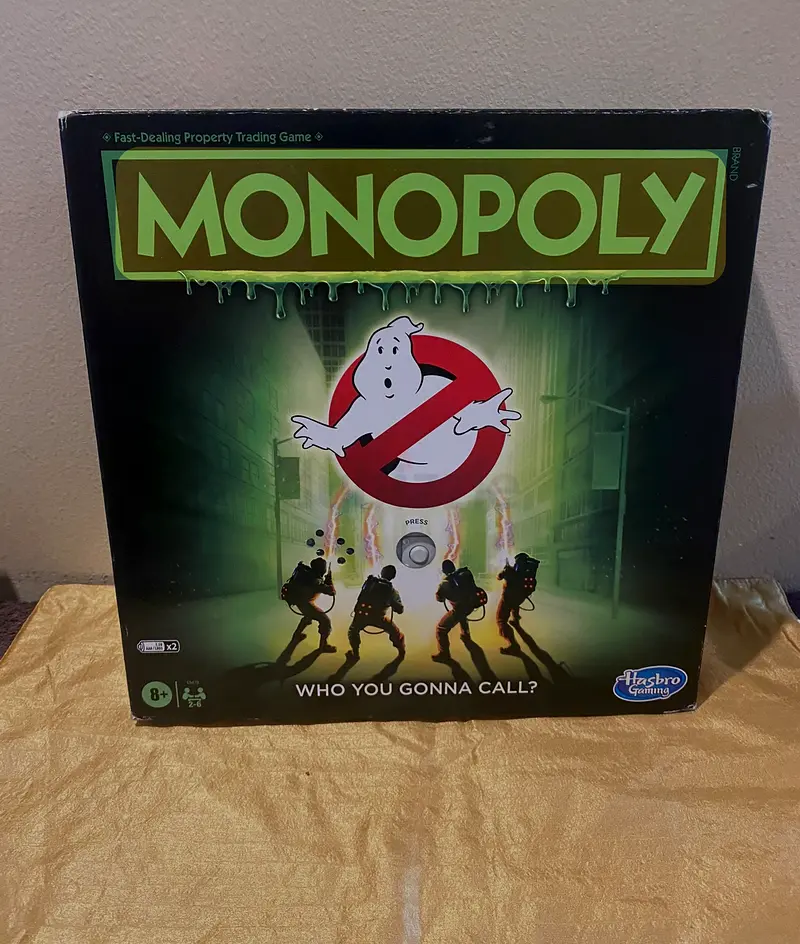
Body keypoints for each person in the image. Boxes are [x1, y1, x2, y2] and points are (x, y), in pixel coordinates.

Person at [347, 565, 405, 659]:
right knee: (395, 632)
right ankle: (401, 651)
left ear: (382, 572)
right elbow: (400, 610)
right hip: (378, 618)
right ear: (393, 576)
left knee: (353, 631)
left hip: (361, 615)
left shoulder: (369, 582)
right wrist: (392, 604)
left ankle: (355, 653)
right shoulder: (392, 591)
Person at [281, 557, 337, 652]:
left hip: (300, 601)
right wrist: (329, 579)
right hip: (305, 603)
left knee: (308, 616)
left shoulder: (306, 573)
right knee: (325, 621)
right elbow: (331, 592)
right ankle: (323, 646)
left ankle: (297, 634)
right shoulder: (315, 580)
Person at [432, 560, 484, 662]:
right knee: (462, 616)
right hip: (471, 605)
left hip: (460, 609)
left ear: (444, 571)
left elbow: (440, 599)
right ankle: (466, 634)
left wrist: (442, 590)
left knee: (441, 629)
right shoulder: (466, 573)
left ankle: (444, 654)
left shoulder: (444, 583)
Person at [496, 552, 540, 654]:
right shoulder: (527, 573)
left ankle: (513, 645)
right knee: (515, 604)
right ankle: (515, 620)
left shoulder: (510, 571)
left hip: (508, 598)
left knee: (501, 619)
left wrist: (505, 570)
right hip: (520, 597)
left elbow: (498, 577)